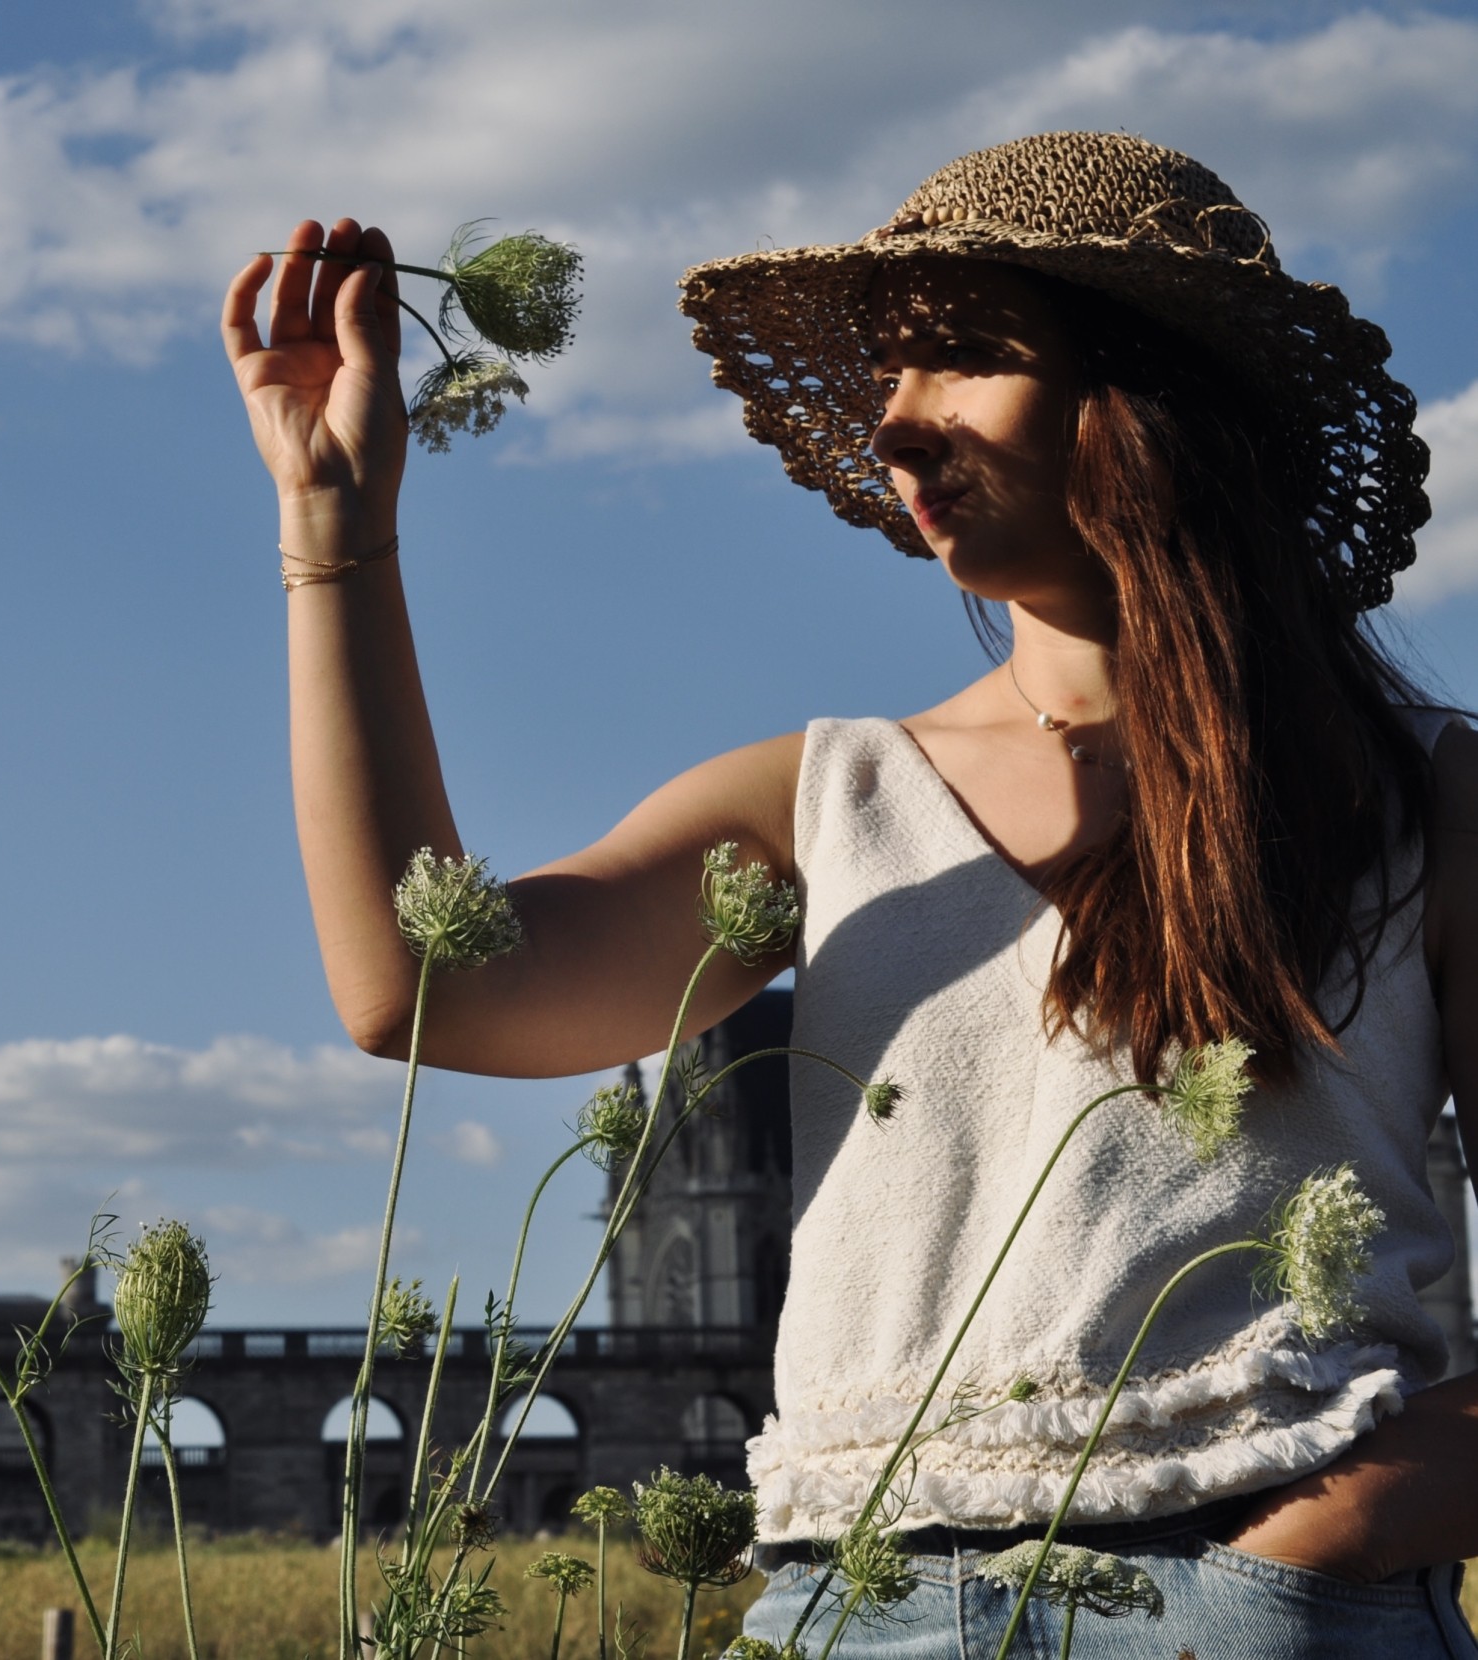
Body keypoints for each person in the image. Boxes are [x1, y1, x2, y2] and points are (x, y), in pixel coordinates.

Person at [222, 131, 1478, 1656]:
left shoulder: (1420, 799)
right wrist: (335, 538)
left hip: (1258, 1603)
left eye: (959, 357)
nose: (897, 425)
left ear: (1146, 396)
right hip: (863, 1609)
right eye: (886, 375)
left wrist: (1316, 1548)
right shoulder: (827, 806)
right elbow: (430, 986)